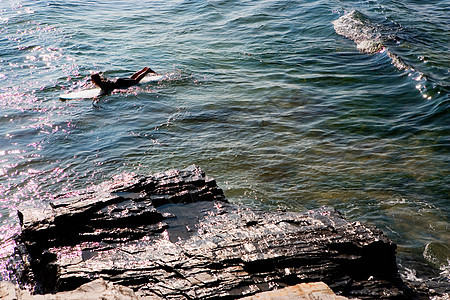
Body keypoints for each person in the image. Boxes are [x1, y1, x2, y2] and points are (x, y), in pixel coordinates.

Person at [90, 67, 156, 94]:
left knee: (136, 81)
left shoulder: (101, 84)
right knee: (132, 78)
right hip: (117, 80)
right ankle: (143, 70)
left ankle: (147, 71)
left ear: (95, 79)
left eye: (92, 79)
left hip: (120, 83)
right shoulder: (102, 81)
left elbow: (106, 91)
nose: (91, 80)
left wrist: (100, 96)